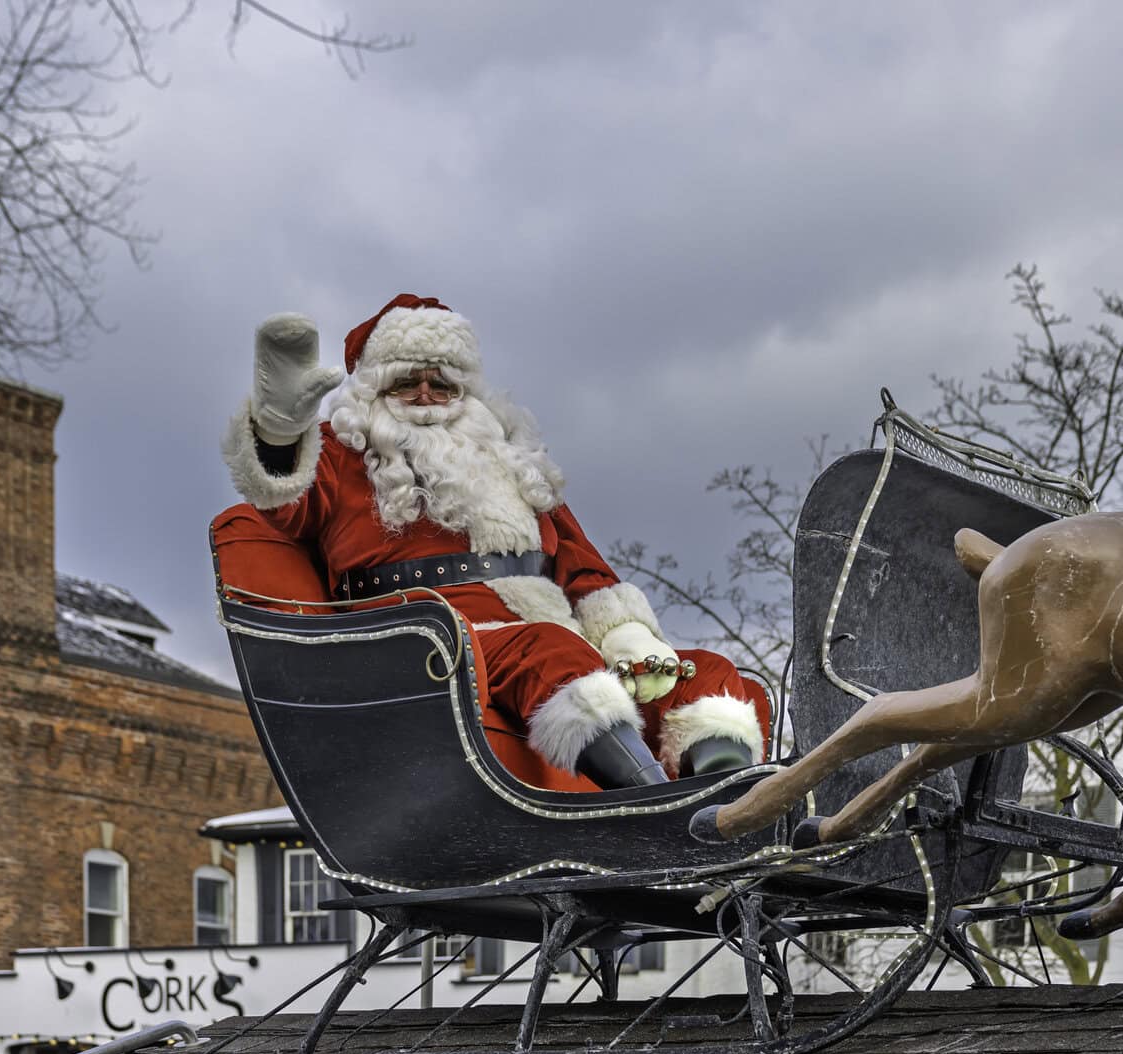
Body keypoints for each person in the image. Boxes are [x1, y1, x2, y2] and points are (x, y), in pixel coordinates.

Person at [221, 293, 764, 789]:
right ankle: (654, 810)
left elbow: (583, 568)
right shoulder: (345, 459)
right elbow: (284, 500)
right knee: (552, 651)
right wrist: (280, 430)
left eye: (445, 382)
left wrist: (628, 637)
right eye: (408, 381)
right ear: (373, 392)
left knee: (705, 673)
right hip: (433, 644)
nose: (428, 395)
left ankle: (732, 813)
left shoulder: (513, 463)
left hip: (557, 636)